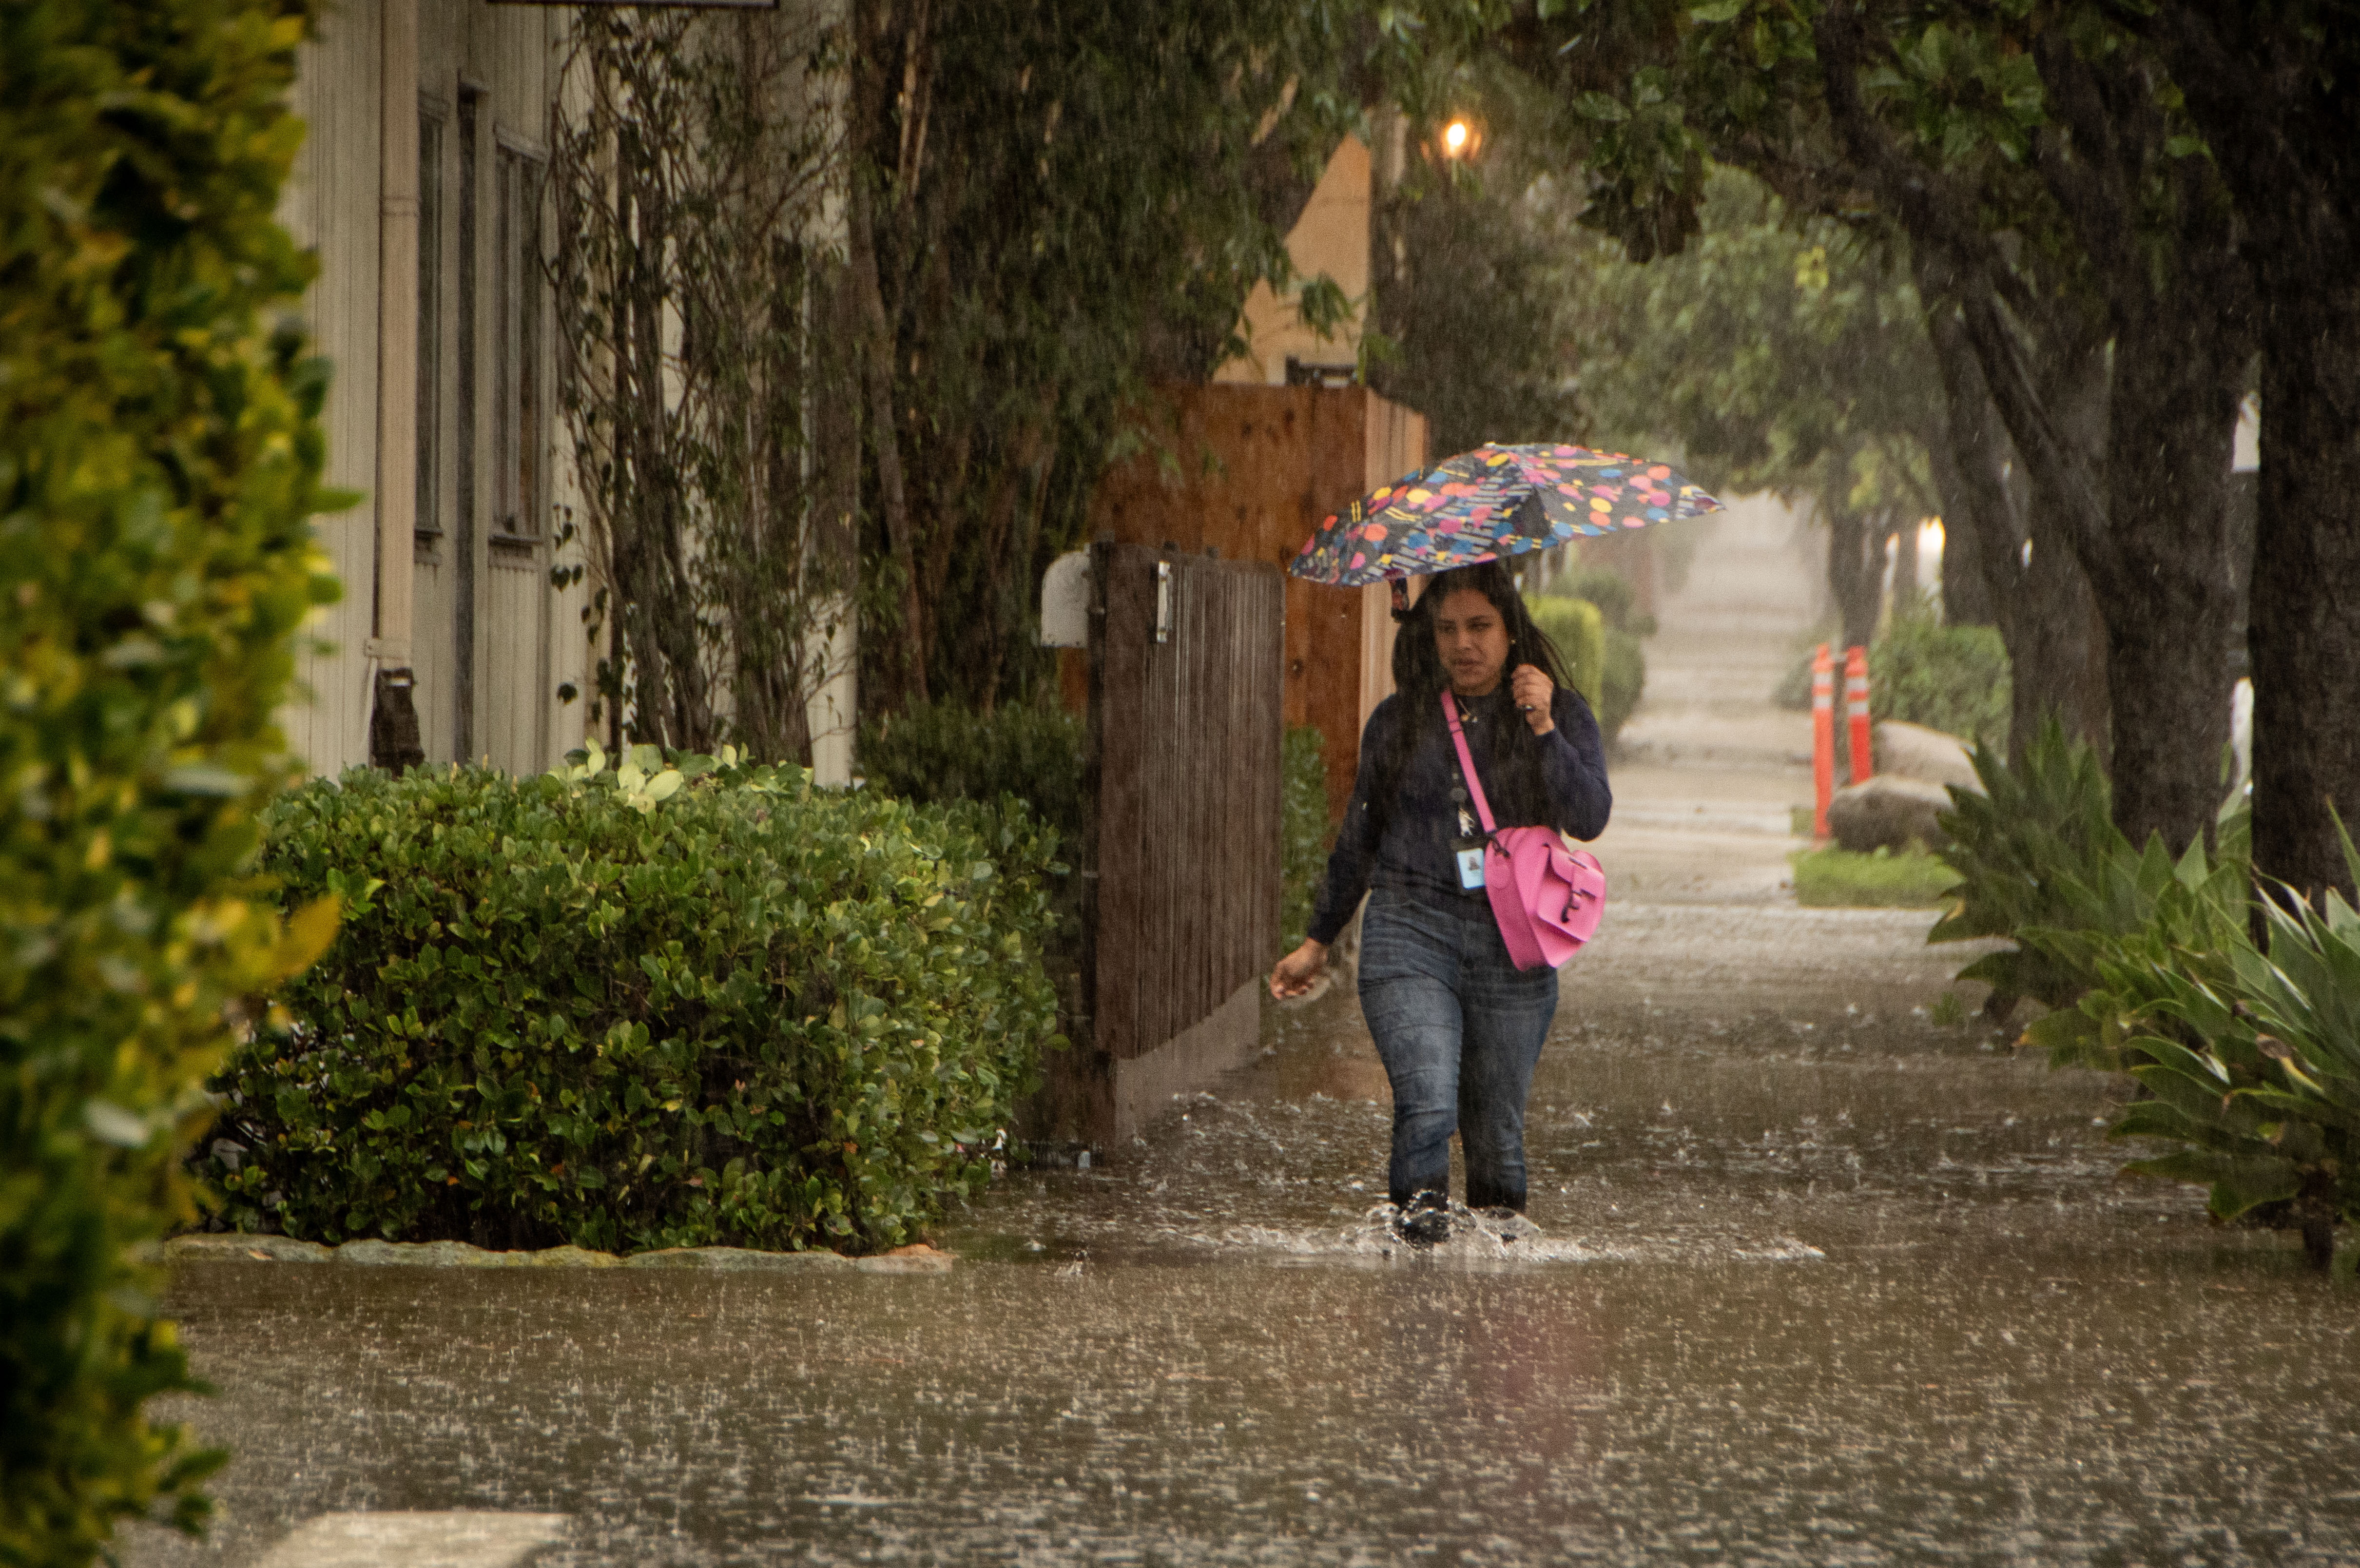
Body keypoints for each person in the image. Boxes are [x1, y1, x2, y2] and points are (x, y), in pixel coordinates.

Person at [1270, 561, 1611, 1246]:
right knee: (1426, 1106)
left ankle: (1493, 1299)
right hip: (1409, 929)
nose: (1463, 644)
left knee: (1497, 1138)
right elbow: (1359, 836)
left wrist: (1542, 726)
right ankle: (1419, 1284)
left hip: (1512, 947)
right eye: (1448, 628)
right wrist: (1318, 937)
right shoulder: (1400, 722)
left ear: (1510, 630)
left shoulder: (1558, 712)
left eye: (1480, 626)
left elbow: (1590, 814)